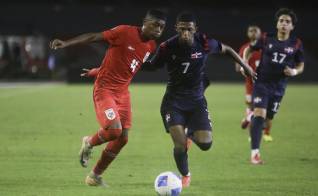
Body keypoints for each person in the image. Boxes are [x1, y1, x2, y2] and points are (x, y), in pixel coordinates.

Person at [50, 9, 167, 186]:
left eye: (162, 27)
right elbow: (93, 37)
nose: (158, 29)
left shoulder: (150, 46)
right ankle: (89, 141)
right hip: (104, 90)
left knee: (123, 138)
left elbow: (127, 65)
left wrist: (97, 70)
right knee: (113, 131)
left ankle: (95, 176)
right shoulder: (124, 32)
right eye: (155, 24)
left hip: (123, 93)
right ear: (145, 22)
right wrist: (66, 43)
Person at [143, 12, 256, 187]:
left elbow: (228, 49)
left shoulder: (204, 43)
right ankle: (185, 175)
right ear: (176, 29)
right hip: (173, 102)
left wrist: (245, 65)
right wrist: (129, 62)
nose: (185, 33)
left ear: (195, 29)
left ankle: (189, 133)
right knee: (180, 145)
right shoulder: (167, 47)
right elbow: (151, 66)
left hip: (196, 101)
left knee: (205, 144)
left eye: (189, 29)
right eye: (182, 30)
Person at [244, 8, 305, 164]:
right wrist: (245, 63)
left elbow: (301, 65)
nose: (284, 24)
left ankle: (252, 117)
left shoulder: (296, 44)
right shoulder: (266, 38)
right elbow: (249, 49)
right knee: (260, 114)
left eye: (288, 22)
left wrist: (294, 72)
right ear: (277, 24)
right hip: (262, 83)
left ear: (292, 27)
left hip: (279, 87)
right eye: (281, 21)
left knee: (268, 118)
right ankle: (255, 154)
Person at [236, 25, 273, 142]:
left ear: (260, 33)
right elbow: (238, 66)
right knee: (254, 108)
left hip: (265, 83)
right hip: (250, 85)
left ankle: (249, 119)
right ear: (247, 33)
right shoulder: (245, 48)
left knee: (263, 109)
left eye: (255, 31)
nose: (253, 33)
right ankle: (252, 134)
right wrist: (244, 67)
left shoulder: (266, 47)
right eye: (250, 31)